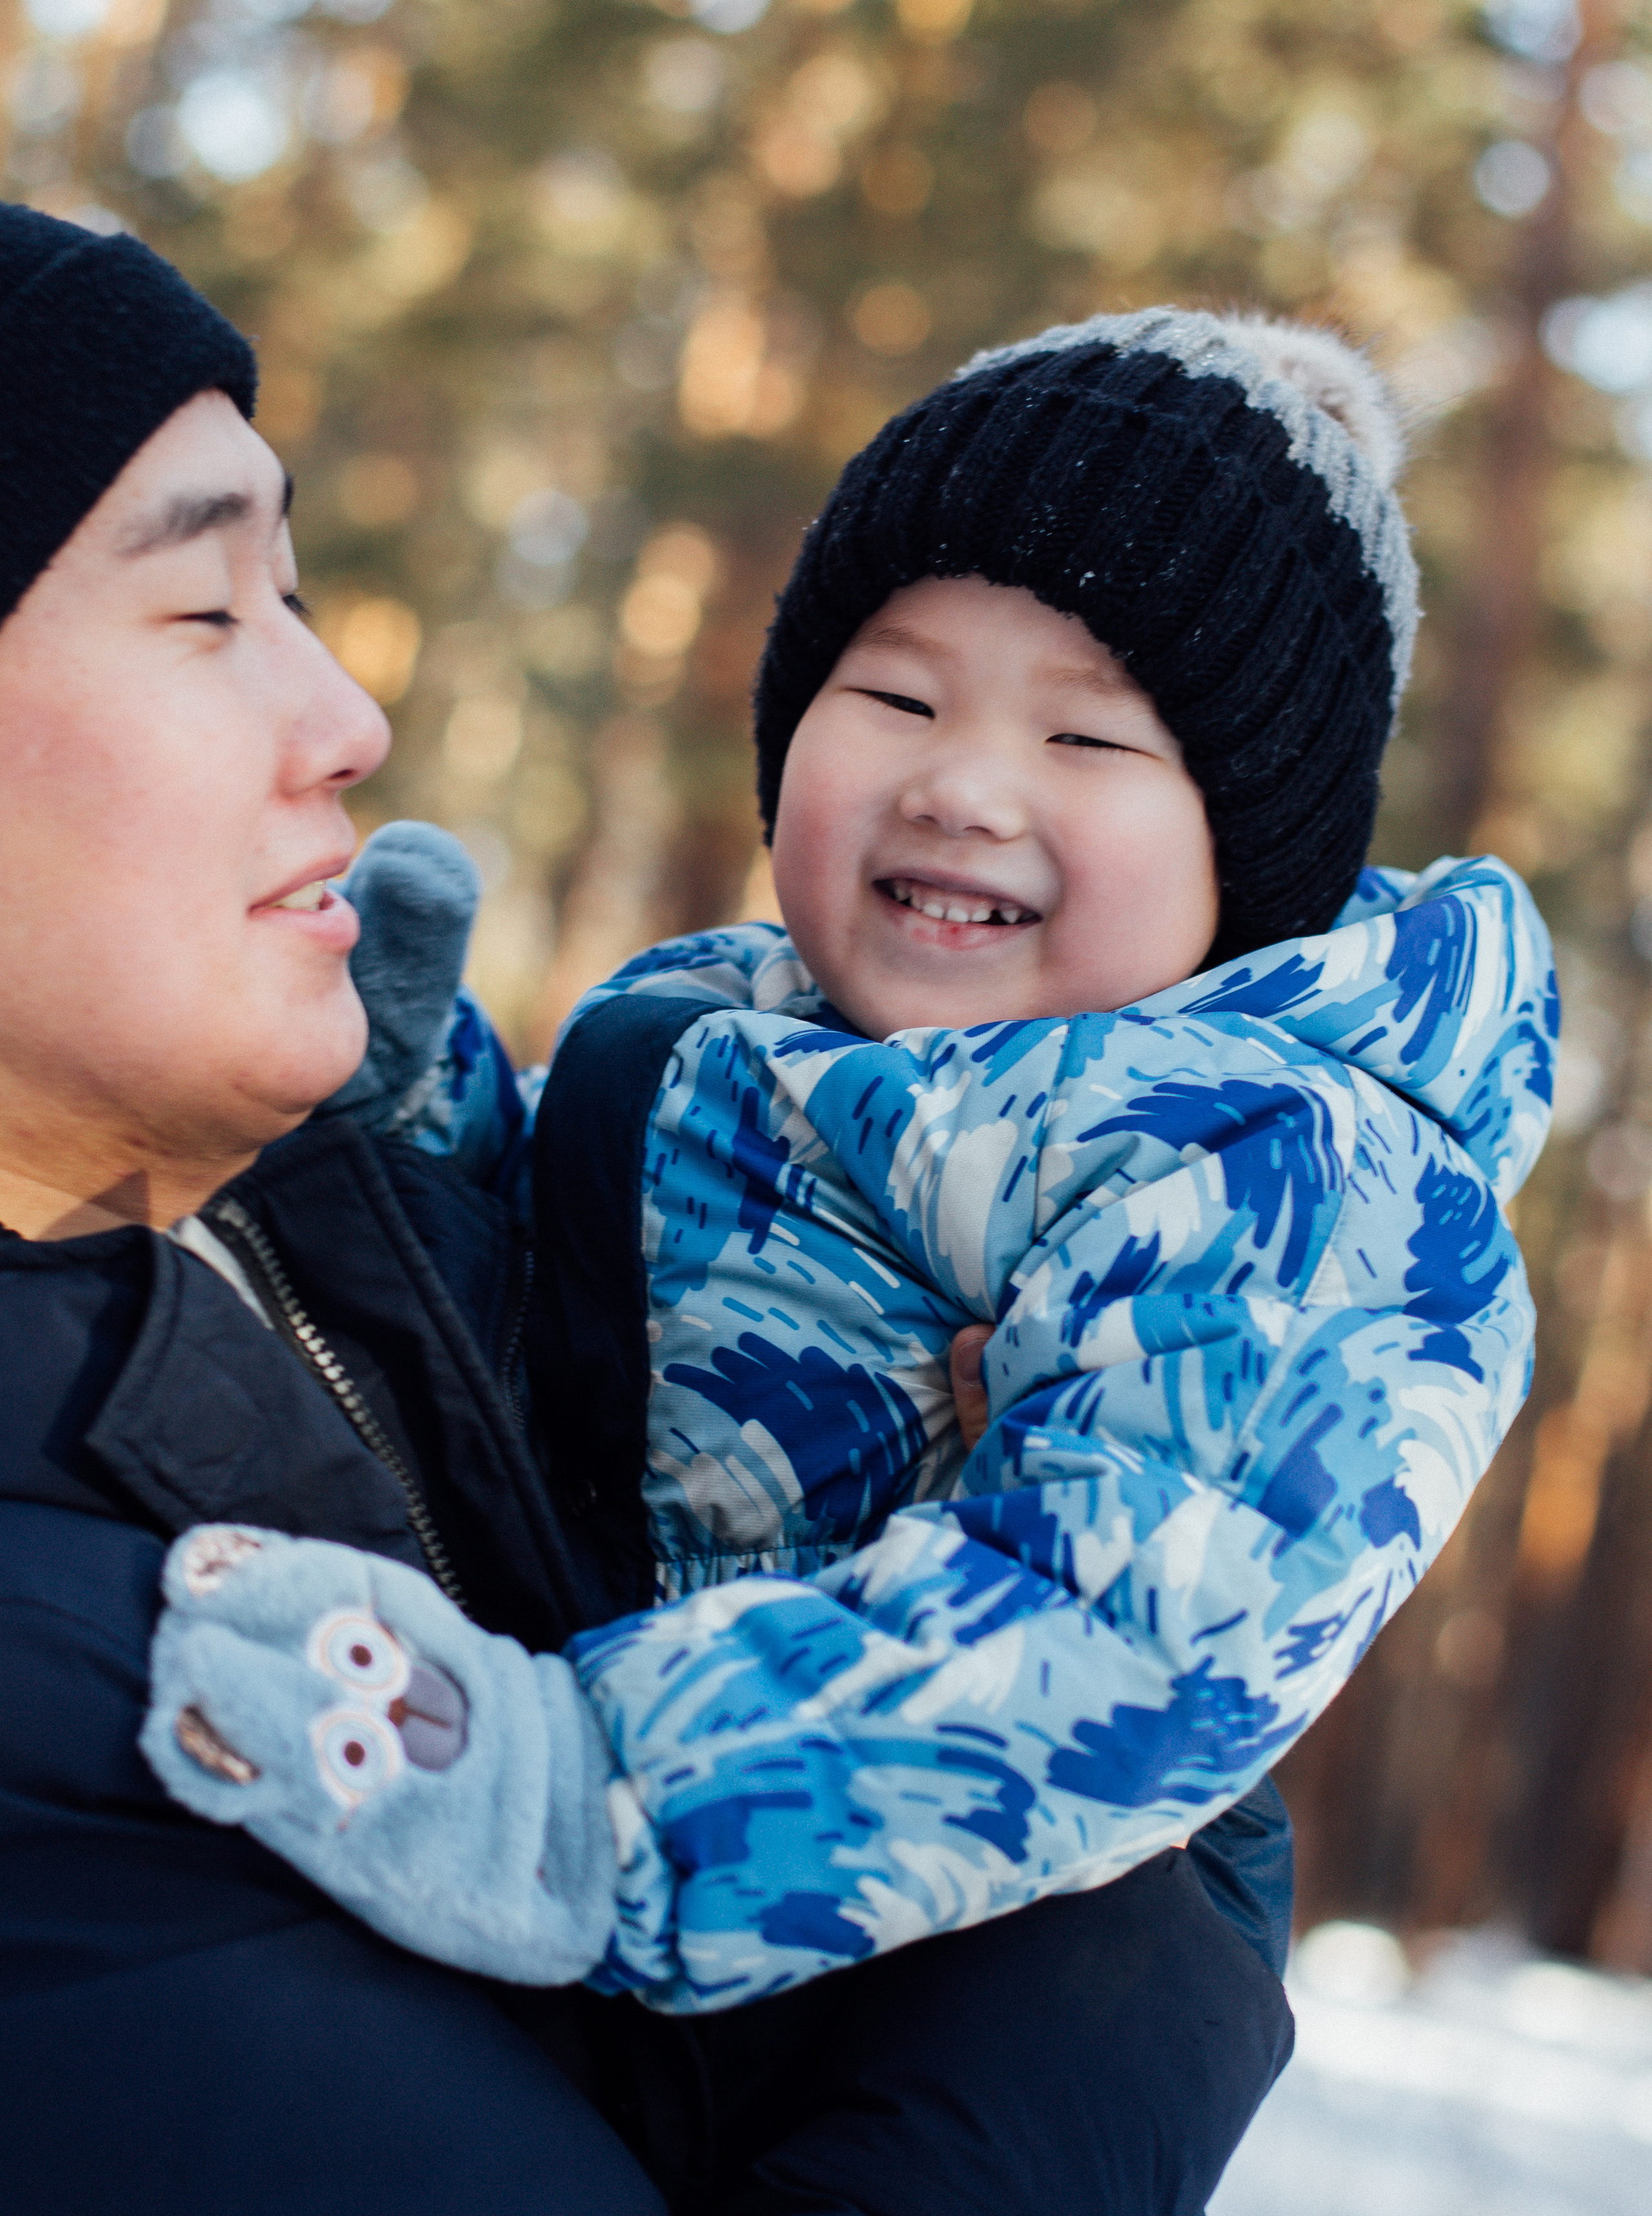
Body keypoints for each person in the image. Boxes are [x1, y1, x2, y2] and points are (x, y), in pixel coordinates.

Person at [0, 207, 1292, 2216]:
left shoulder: (453, 1224)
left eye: (298, 592)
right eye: (203, 611)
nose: (350, 717)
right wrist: (1136, 1935)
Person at [145, 321, 1552, 2077]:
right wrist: (400, 1126)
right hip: (587, 1888)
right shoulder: (715, 1029)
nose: (961, 785)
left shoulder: (1277, 1169)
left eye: (1088, 736)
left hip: (946, 1983)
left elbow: (1135, 1624)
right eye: (898, 698)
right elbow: (551, 1325)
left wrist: (584, 1798)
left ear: (1249, 852)